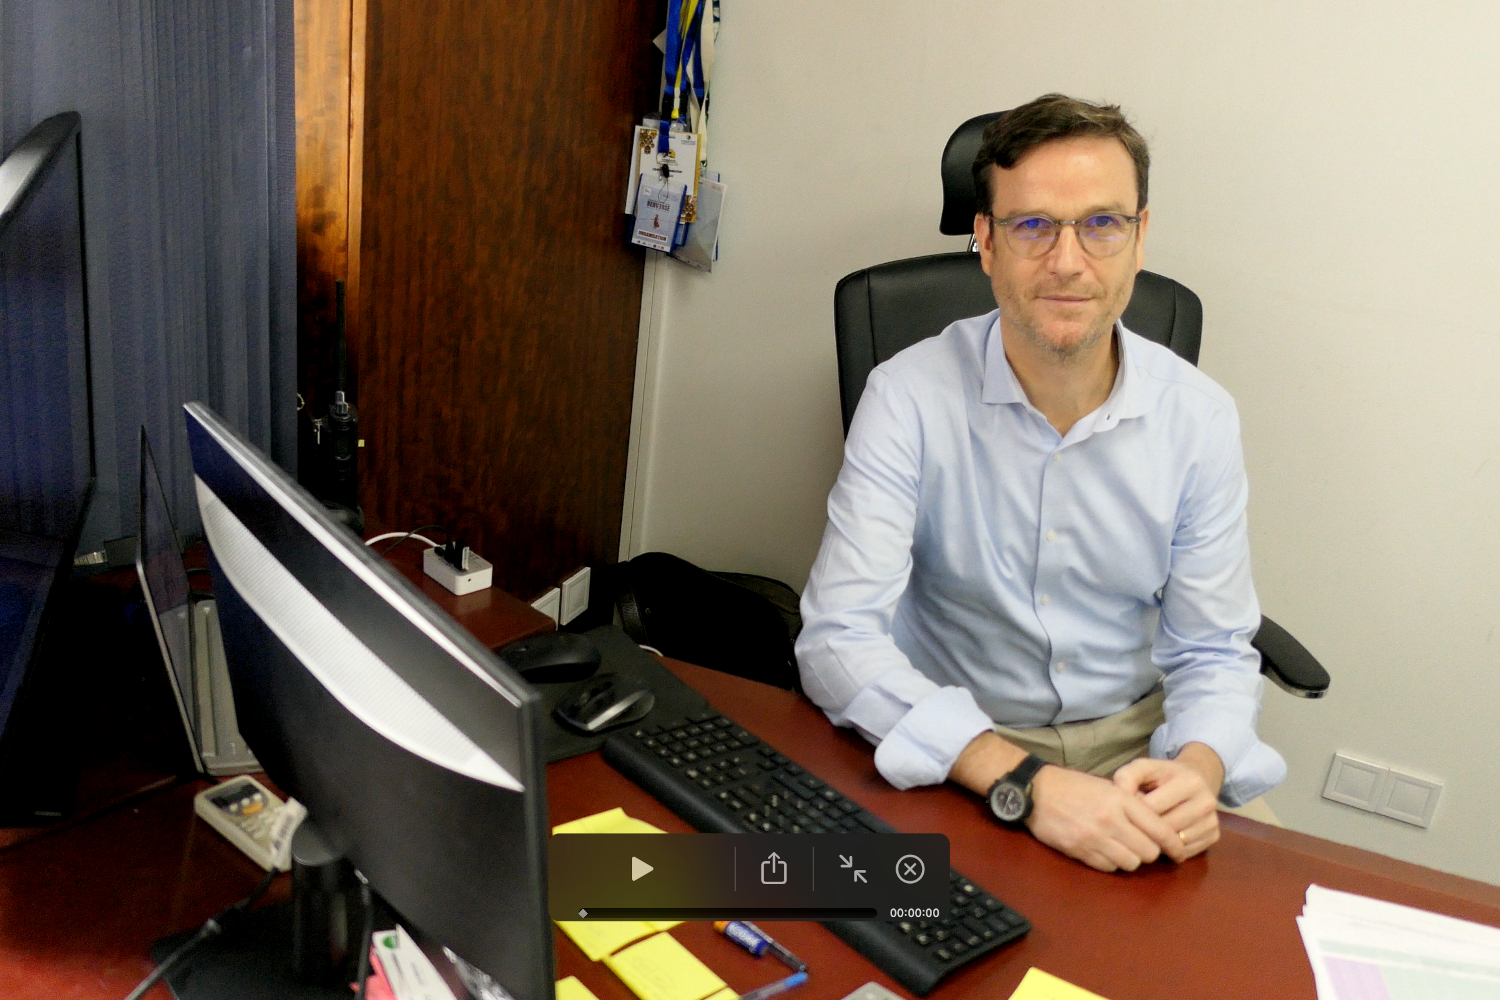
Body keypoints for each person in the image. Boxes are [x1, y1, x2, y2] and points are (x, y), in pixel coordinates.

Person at [795, 94, 1285, 874]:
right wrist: (1023, 781)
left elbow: (1215, 647)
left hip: (1140, 744)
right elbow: (838, 638)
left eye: (1101, 224)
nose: (1067, 261)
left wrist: (1199, 767)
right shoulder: (908, 396)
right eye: (1032, 226)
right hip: (959, 737)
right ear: (984, 242)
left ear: (1139, 238)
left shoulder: (1200, 418)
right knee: (907, 933)